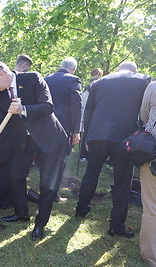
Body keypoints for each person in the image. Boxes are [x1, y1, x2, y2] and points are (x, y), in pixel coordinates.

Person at [0, 59, 68, 241]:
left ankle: (39, 224)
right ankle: (22, 213)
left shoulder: (33, 79)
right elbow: (1, 122)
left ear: (2, 74)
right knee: (16, 175)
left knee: (46, 184)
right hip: (25, 141)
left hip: (50, 139)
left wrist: (23, 109)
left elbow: (48, 106)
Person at [75, 61, 150, 238]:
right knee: (123, 182)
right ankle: (116, 225)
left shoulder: (100, 81)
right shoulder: (144, 80)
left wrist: (88, 137)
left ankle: (81, 210)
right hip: (126, 139)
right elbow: (145, 110)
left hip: (98, 135)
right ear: (134, 70)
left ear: (119, 69)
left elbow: (89, 111)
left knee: (90, 175)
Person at [45, 57, 82, 201]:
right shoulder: (73, 80)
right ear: (73, 70)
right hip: (63, 128)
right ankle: (52, 193)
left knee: (45, 160)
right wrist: (76, 131)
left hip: (46, 126)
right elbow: (77, 108)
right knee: (59, 162)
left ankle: (46, 190)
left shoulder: (48, 78)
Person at [139, 81, 156, 266]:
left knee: (152, 207)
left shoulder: (153, 87)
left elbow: (143, 115)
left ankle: (151, 257)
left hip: (153, 154)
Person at [79, 68, 103, 161]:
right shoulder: (87, 89)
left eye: (97, 74)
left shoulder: (101, 86)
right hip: (88, 112)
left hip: (96, 114)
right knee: (85, 134)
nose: (96, 75)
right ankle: (83, 154)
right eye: (94, 74)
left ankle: (90, 155)